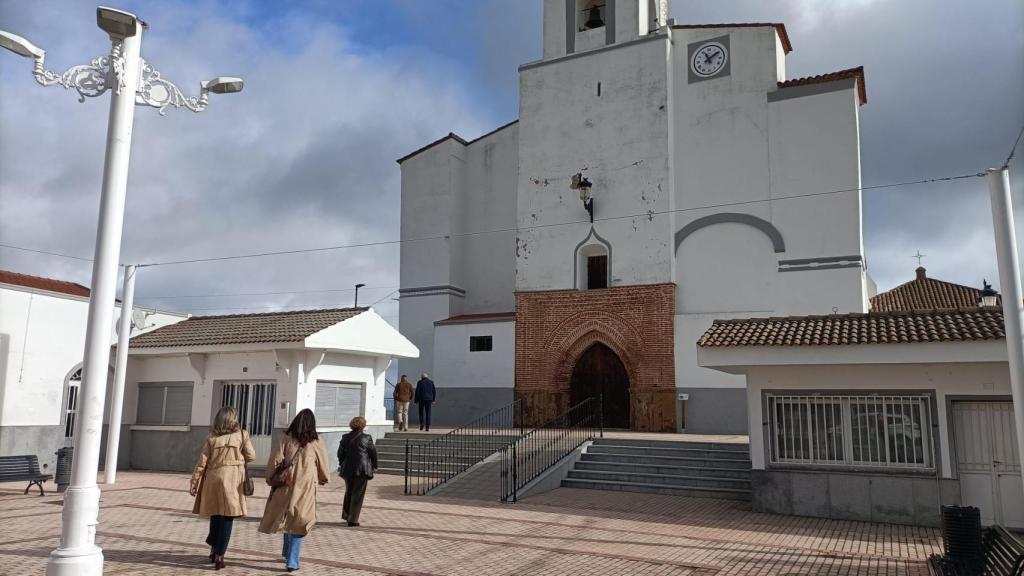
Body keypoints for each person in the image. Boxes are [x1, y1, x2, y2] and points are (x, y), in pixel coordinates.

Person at [259, 409, 330, 572]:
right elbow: (323, 463)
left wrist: (270, 477)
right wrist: (323, 477)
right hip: (305, 486)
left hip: (286, 484)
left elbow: (275, 459)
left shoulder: (286, 438)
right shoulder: (316, 441)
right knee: (301, 520)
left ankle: (287, 552)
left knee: (288, 515)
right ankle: (292, 560)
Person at [189, 406, 256, 571]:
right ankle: (220, 555)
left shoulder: (212, 438)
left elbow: (202, 461)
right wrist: (238, 460)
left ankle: (213, 547)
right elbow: (251, 456)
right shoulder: (242, 435)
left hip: (213, 478)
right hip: (232, 480)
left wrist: (194, 481)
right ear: (233, 420)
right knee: (228, 517)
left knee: (216, 514)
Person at [337, 416, 379, 526]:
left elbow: (340, 453)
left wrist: (342, 464)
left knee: (349, 491)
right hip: (362, 469)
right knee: (358, 494)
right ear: (363, 425)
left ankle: (346, 515)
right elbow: (373, 453)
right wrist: (375, 465)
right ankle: (353, 520)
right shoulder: (367, 437)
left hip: (347, 469)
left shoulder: (345, 437)